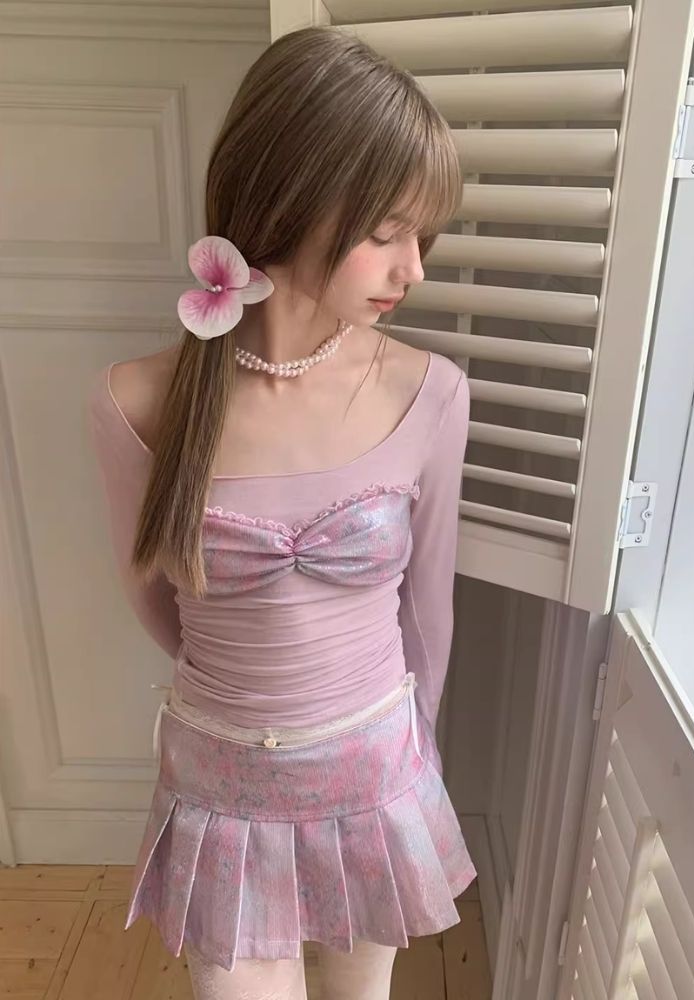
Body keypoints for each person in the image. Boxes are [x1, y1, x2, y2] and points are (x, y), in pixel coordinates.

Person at [87, 24, 476, 1000]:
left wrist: (411, 757)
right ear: (287, 200)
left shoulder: (429, 392)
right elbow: (155, 601)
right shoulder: (136, 403)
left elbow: (428, 610)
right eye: (386, 233)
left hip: (375, 777)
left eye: (422, 236)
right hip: (225, 792)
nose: (414, 269)